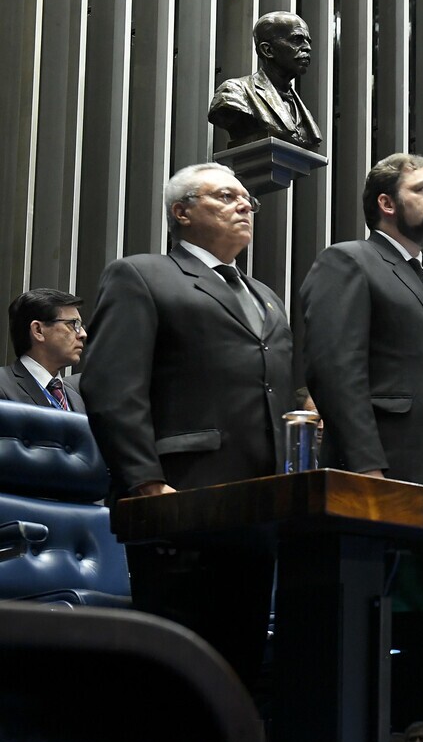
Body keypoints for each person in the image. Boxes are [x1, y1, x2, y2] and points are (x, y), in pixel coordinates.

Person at [81, 162, 293, 685]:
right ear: (183, 212)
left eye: (249, 200)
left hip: (260, 504)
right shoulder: (143, 274)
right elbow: (112, 386)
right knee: (177, 673)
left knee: (242, 670)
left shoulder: (266, 296)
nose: (245, 205)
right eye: (227, 197)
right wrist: (146, 480)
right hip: (182, 499)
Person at [301, 152, 423, 490]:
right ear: (387, 203)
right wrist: (366, 466)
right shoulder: (348, 261)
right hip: (386, 472)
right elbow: (335, 372)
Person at [208, 11, 322, 150]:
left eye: (307, 41)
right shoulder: (234, 92)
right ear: (267, 50)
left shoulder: (301, 109)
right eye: (297, 40)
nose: (307, 48)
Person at [0, 288, 87, 411]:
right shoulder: (3, 386)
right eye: (73, 324)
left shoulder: (77, 398)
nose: (83, 334)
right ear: (38, 330)